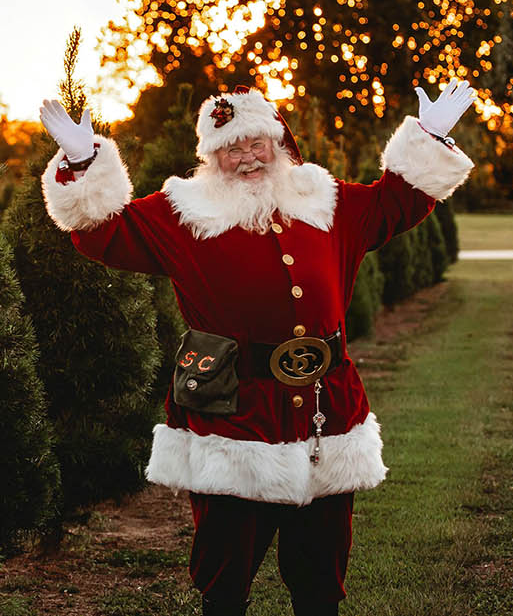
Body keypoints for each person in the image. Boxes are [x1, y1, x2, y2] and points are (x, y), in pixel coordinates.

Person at [38, 81, 477, 616]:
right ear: (211, 156)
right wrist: (85, 160)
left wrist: (428, 135)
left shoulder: (326, 201)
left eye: (255, 144)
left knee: (320, 571)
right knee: (225, 574)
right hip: (233, 414)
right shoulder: (183, 213)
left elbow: (396, 201)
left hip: (324, 408)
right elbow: (103, 229)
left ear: (278, 143)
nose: (245, 159)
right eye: (229, 149)